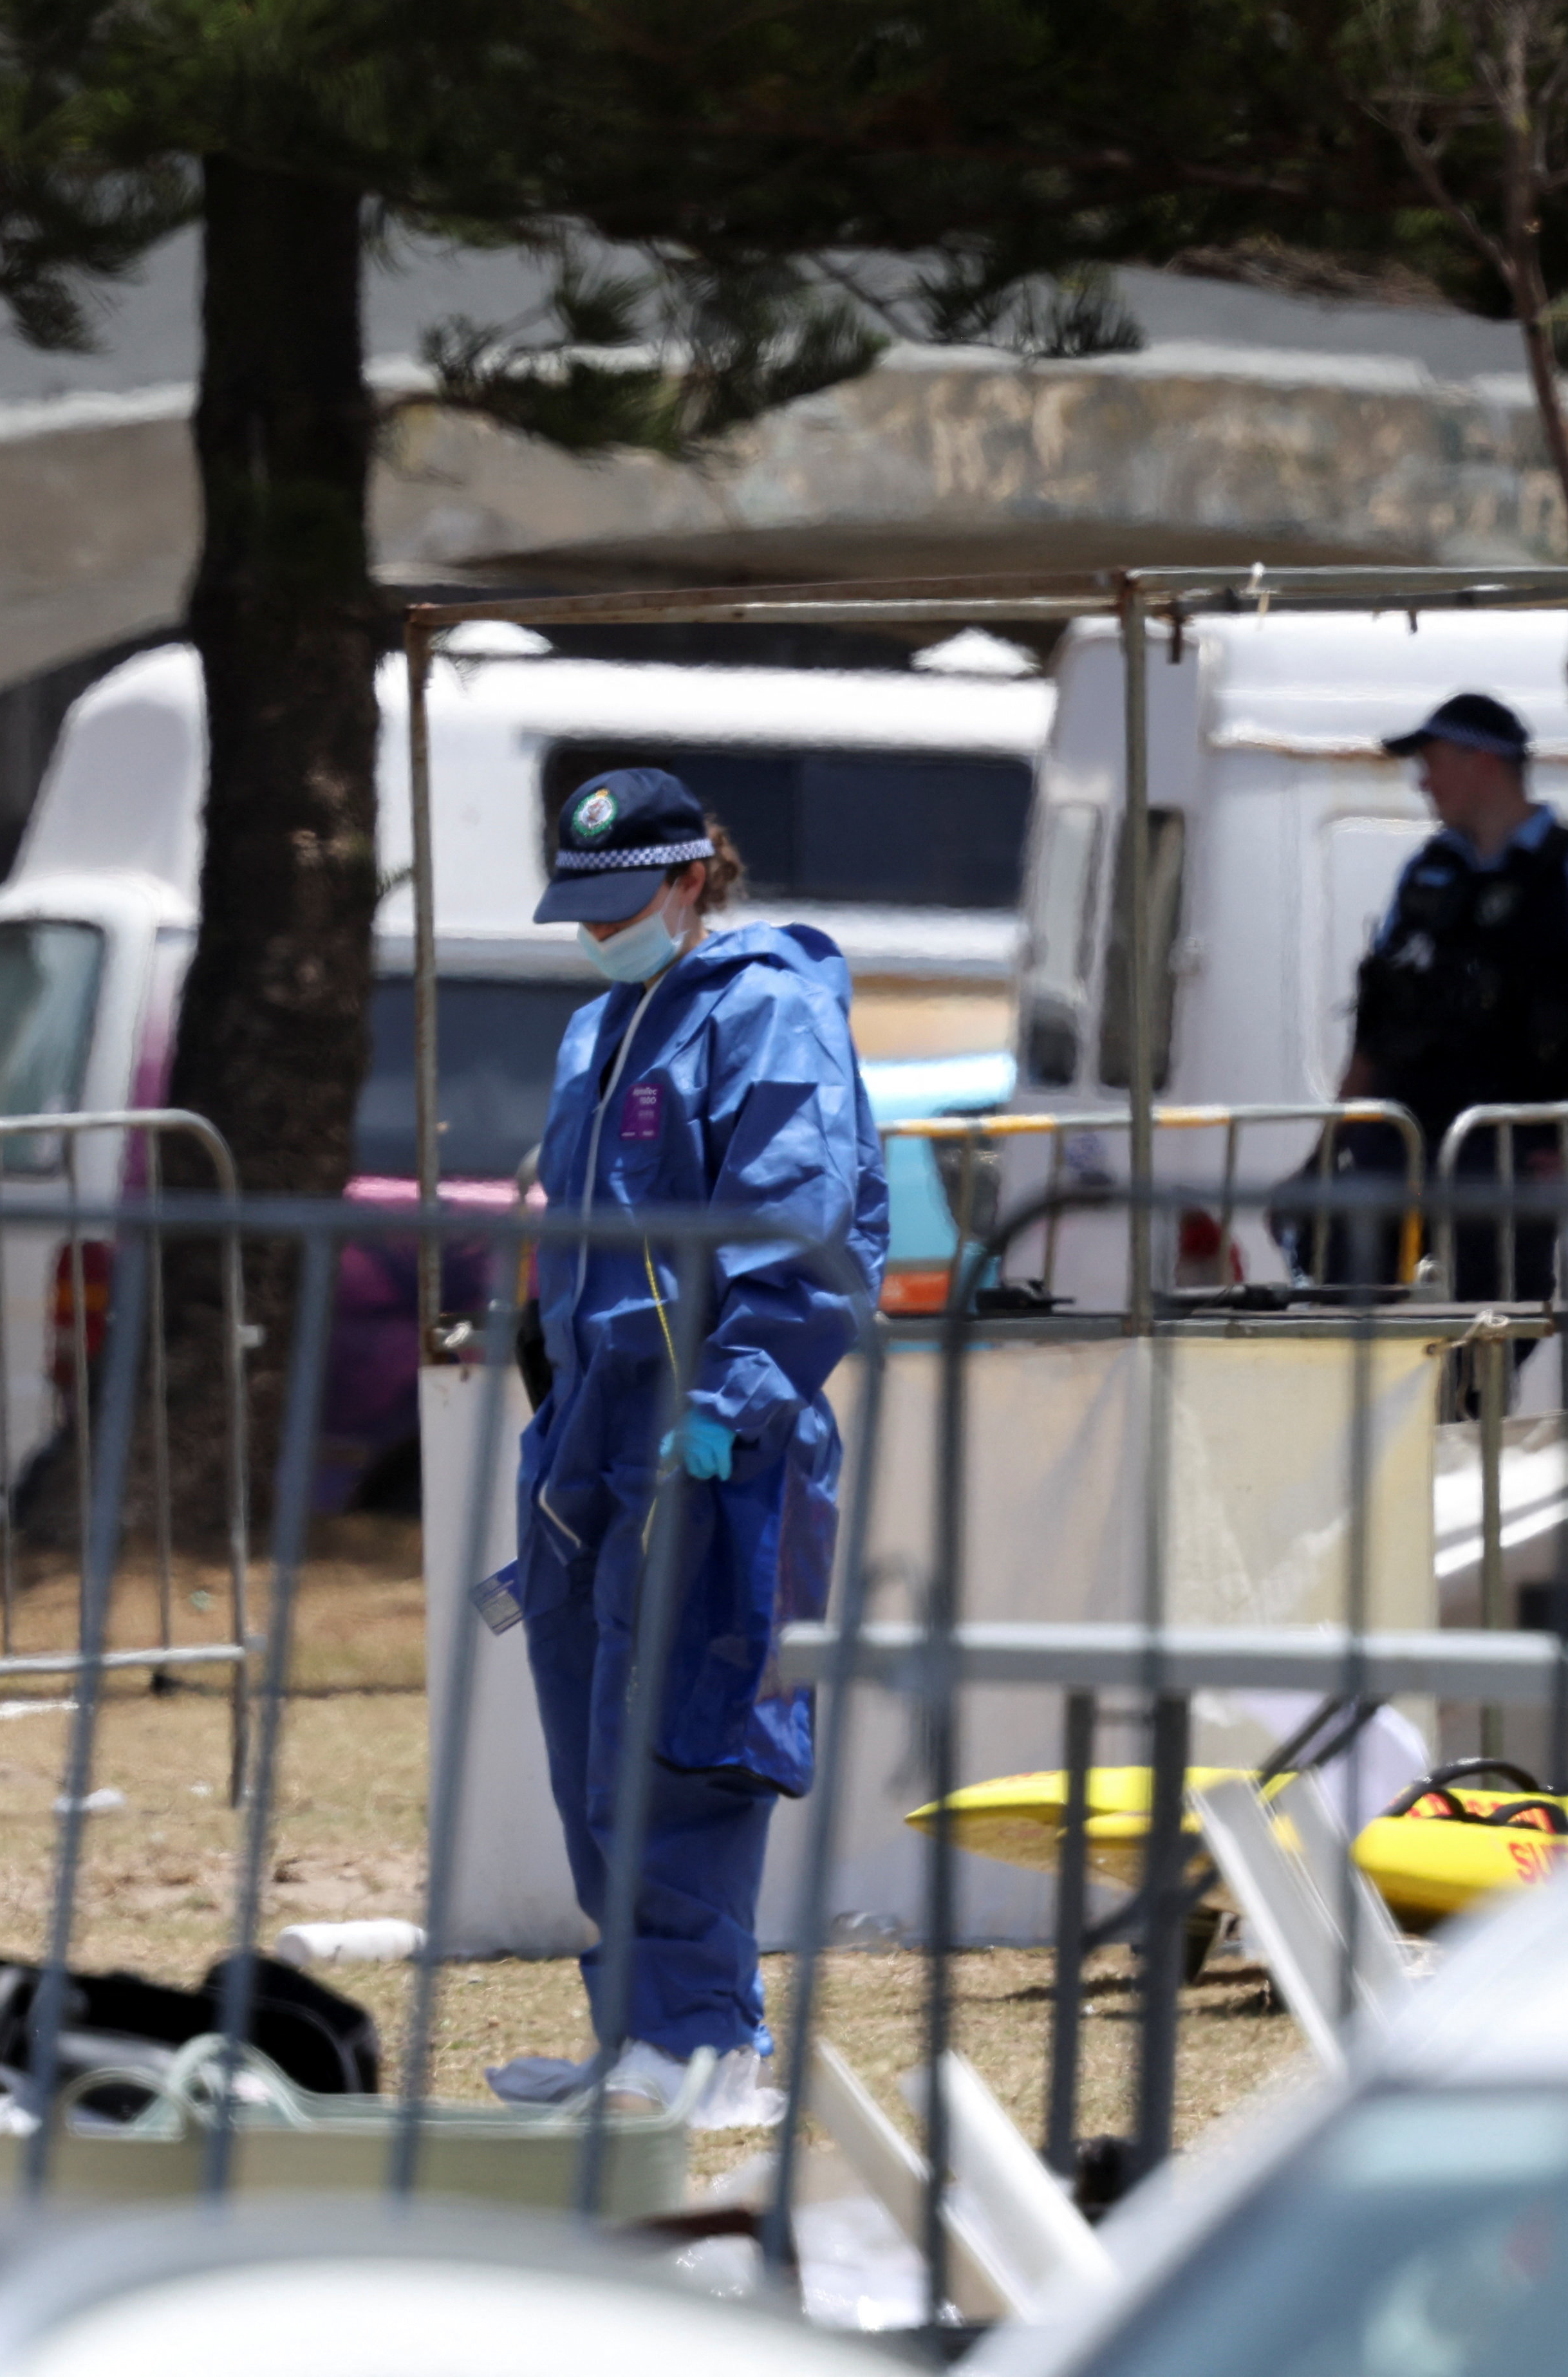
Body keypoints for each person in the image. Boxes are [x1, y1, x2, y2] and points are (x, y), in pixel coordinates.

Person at [512, 765, 886, 2125]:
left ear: (689, 880)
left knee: (691, 1741)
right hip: (589, 1440)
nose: (597, 926)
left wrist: (727, 1413)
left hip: (721, 1439)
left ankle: (704, 2040)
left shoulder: (767, 1009)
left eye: (623, 898)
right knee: (592, 1745)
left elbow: (803, 1237)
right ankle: (633, 2033)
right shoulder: (601, 1025)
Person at [1321, 690, 1568, 1302]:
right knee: (1351, 1355)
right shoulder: (1425, 873)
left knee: (1481, 1363)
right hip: (1396, 1153)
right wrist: (1321, 1163)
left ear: (1482, 761)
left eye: (1432, 762)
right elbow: (1376, 1029)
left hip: (1504, 1164)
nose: (1424, 784)